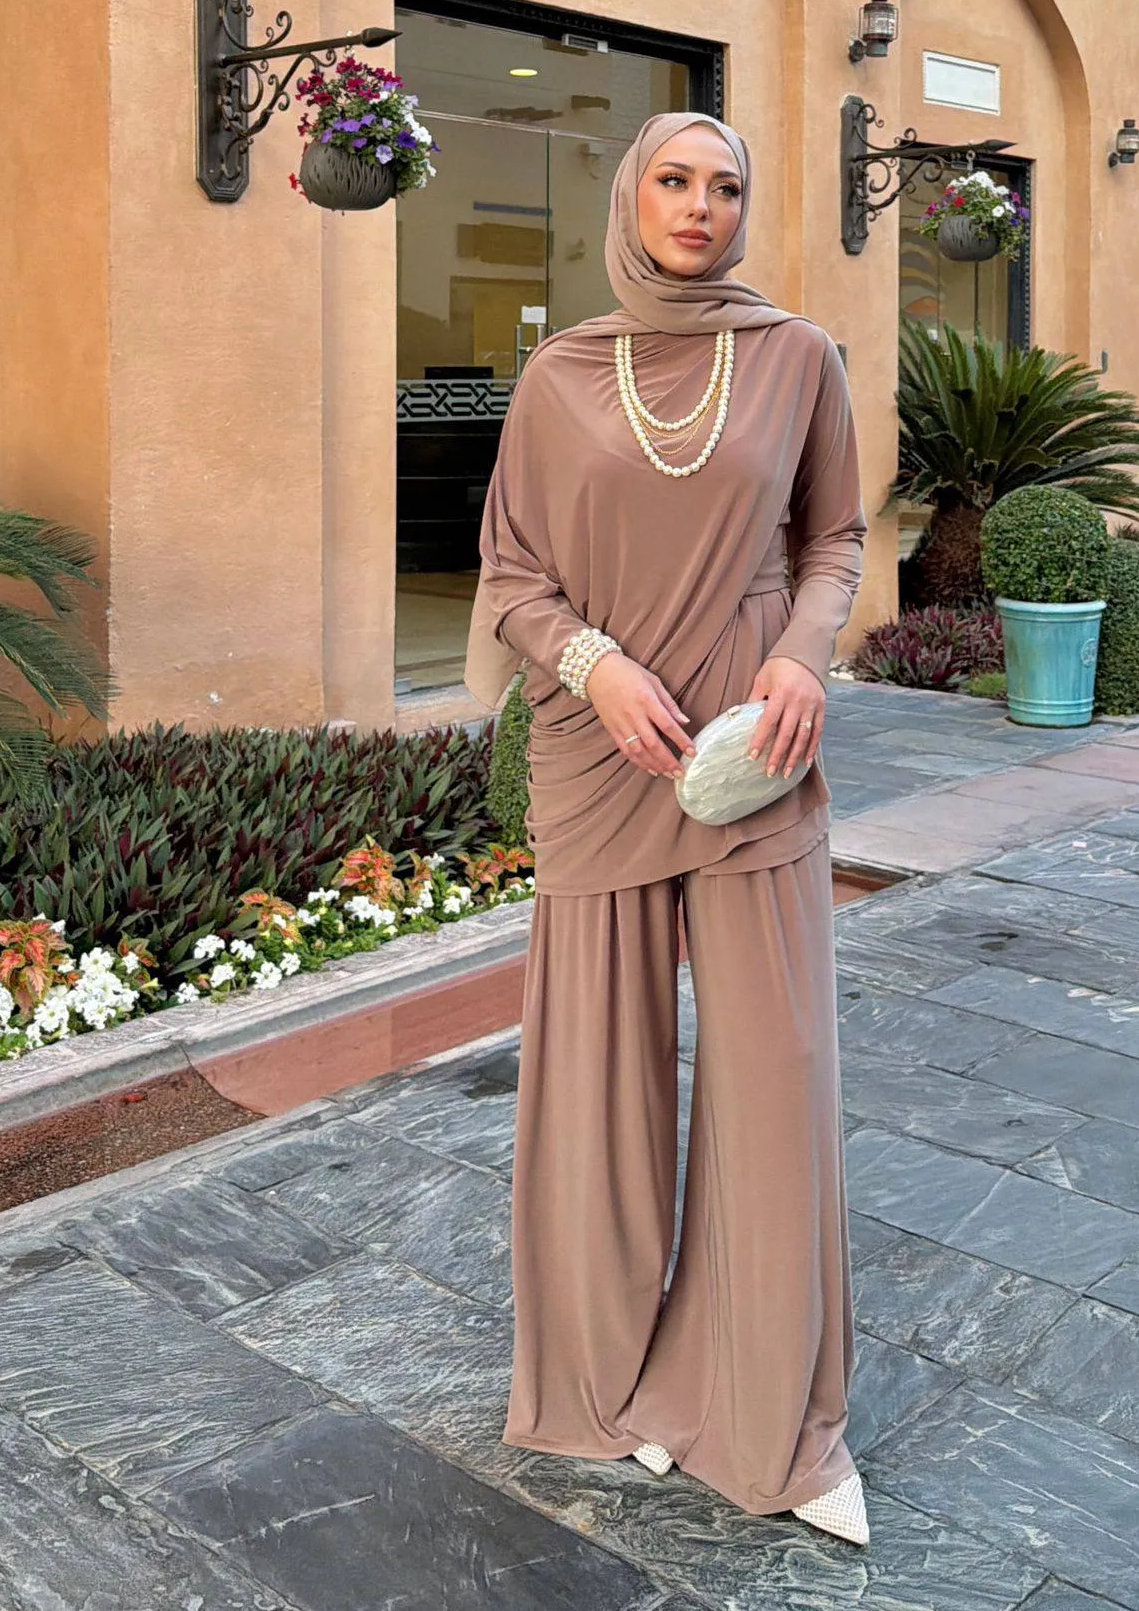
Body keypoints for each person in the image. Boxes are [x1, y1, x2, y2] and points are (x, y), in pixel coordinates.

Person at [465, 110, 869, 1545]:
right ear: (631, 198)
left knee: (778, 1069)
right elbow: (511, 573)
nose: (701, 206)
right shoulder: (561, 375)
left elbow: (835, 539)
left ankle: (768, 1414)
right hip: (602, 750)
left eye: (726, 186)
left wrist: (803, 656)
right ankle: (602, 1383)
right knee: (599, 1081)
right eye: (675, 181)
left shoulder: (799, 357)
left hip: (755, 753)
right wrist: (593, 668)